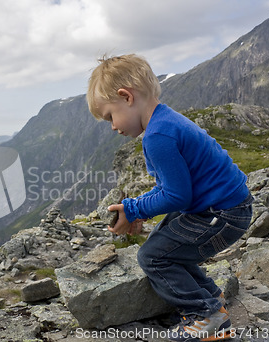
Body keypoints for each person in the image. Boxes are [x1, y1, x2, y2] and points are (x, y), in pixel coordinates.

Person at [86, 54, 253, 342]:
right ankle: (211, 297)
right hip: (222, 207)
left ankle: (206, 314)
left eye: (110, 116)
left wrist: (134, 209)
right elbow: (171, 189)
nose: (112, 126)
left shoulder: (158, 136)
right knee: (165, 243)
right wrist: (135, 211)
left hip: (223, 214)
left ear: (126, 97)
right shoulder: (165, 120)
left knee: (153, 257)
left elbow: (176, 195)